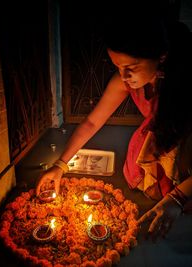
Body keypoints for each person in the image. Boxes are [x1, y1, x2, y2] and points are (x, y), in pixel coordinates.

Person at [36, 11, 192, 240]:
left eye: (132, 66)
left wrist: (178, 199)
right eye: (117, 66)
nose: (124, 75)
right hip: (156, 144)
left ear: (161, 56)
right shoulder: (124, 81)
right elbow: (91, 122)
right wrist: (60, 165)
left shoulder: (186, 83)